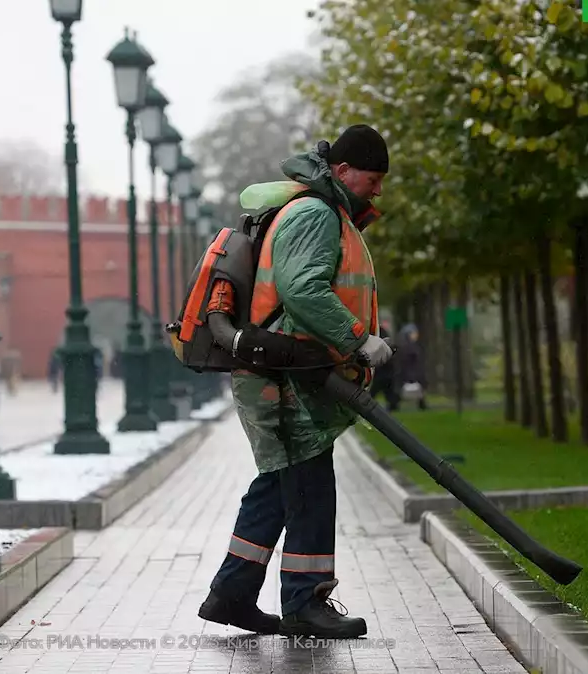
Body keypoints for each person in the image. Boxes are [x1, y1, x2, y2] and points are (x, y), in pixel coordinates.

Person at [198, 125, 392, 640]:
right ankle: (306, 601)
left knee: (278, 488)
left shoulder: (321, 211)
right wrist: (358, 340)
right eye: (372, 179)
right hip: (286, 378)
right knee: (307, 488)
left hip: (285, 372)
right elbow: (302, 290)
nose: (377, 191)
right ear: (344, 171)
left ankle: (232, 594)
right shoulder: (315, 214)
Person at [394, 323, 428, 411]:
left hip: (409, 374)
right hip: (412, 374)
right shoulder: (411, 348)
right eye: (414, 333)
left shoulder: (404, 346)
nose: (416, 335)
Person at [369, 320, 401, 411]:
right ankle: (393, 405)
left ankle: (392, 404)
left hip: (382, 369)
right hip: (386, 369)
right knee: (387, 390)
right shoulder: (384, 334)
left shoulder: (378, 333)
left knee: (376, 390)